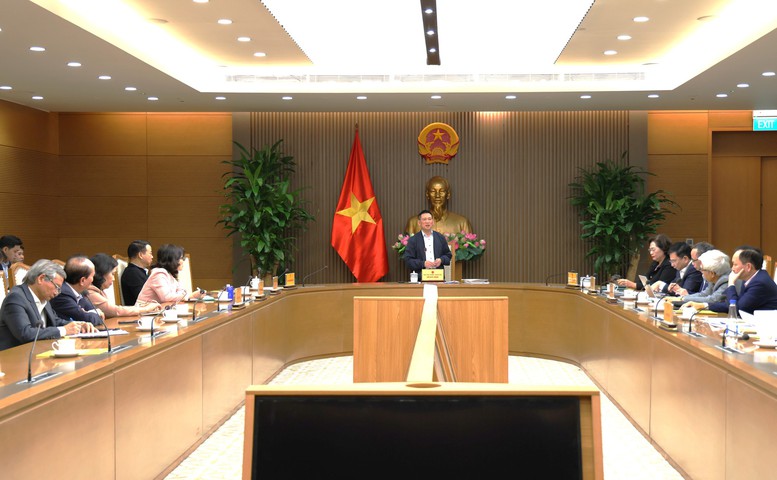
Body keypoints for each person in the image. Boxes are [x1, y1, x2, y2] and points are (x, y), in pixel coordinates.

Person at [0, 259, 96, 351]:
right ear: (41, 279)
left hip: (40, 351)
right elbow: (25, 333)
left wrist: (78, 326)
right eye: (57, 287)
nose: (57, 293)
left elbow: (55, 321)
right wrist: (63, 330)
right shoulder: (16, 298)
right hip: (15, 357)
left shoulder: (43, 297)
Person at [689, 247, 777, 314]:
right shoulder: (751, 279)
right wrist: (704, 305)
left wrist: (731, 283)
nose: (732, 268)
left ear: (748, 267)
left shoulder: (759, 282)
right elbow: (730, 304)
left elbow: (736, 308)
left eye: (735, 264)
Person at [87, 253, 160, 318]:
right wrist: (146, 309)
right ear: (101, 273)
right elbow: (116, 311)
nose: (113, 279)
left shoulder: (98, 290)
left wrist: (142, 307)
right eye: (112, 274)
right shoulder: (90, 292)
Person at [136, 244, 204, 305]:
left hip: (157, 310)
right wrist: (189, 296)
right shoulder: (159, 274)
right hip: (144, 312)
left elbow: (182, 290)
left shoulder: (169, 274)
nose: (183, 261)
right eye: (181, 258)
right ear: (172, 260)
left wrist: (185, 295)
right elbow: (166, 297)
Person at [49, 254, 106, 326]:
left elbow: (97, 313)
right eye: (92, 276)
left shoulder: (81, 291)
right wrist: (90, 314)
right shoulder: (62, 294)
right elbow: (88, 319)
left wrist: (90, 313)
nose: (93, 280)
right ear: (82, 280)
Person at [404, 176, 473, 235]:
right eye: (433, 191)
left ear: (448, 194)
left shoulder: (462, 223)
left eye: (442, 191)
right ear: (427, 194)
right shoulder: (413, 223)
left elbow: (469, 246)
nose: (437, 196)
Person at [121, 240, 153, 306]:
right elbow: (144, 299)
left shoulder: (139, 271)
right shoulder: (132, 273)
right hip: (139, 311)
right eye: (150, 253)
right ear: (140, 255)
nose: (152, 256)